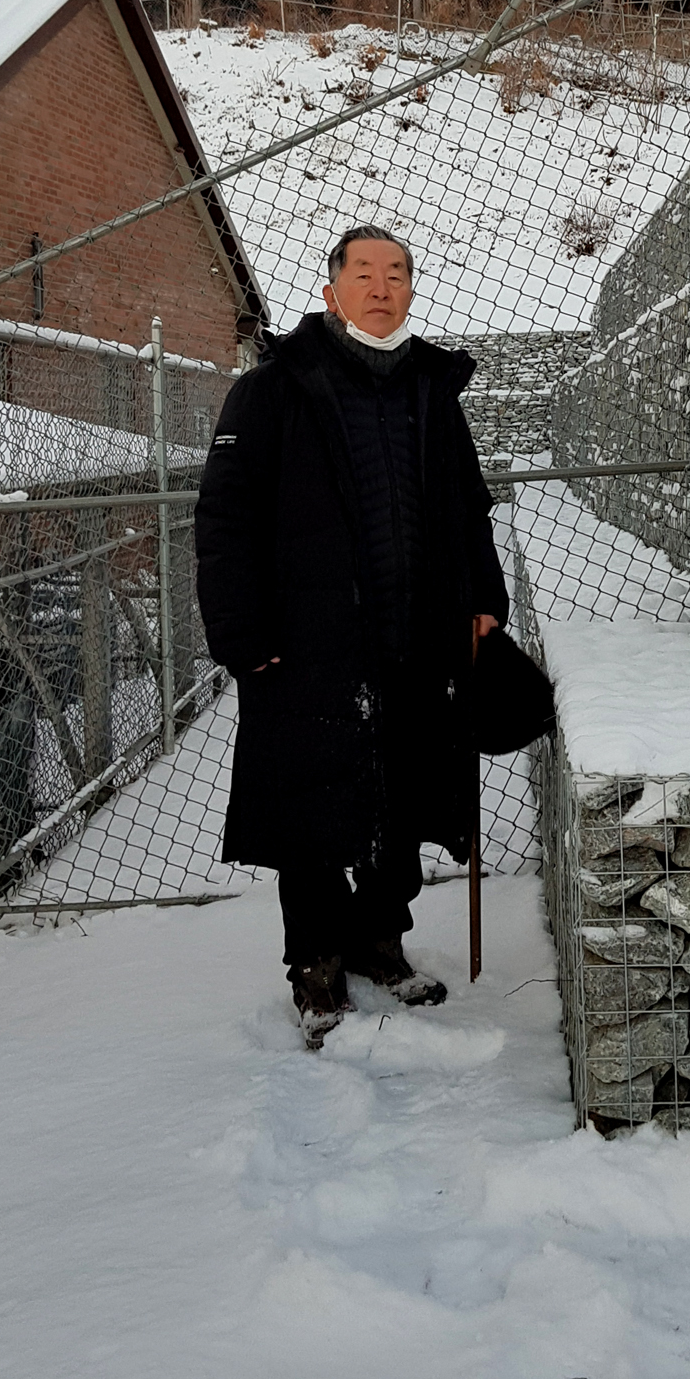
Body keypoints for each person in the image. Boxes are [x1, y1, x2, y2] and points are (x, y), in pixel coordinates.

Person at [193, 225, 508, 1045]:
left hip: (415, 634)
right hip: (307, 642)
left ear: (410, 290)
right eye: (363, 272)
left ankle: (379, 941)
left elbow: (467, 506)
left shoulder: (432, 390)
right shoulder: (274, 388)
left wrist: (482, 597)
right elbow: (224, 518)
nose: (381, 286)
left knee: (401, 798)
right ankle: (316, 965)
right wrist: (238, 627)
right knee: (310, 808)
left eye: (396, 273)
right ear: (331, 289)